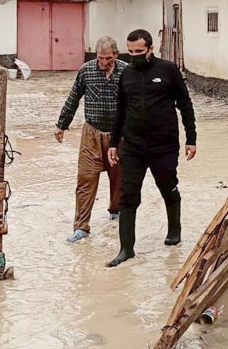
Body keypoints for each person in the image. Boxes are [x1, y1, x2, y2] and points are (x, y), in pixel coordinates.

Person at [106, 29, 197, 267]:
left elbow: (185, 105)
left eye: (139, 52)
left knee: (167, 187)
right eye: (131, 52)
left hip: (164, 145)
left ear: (151, 49)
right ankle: (126, 249)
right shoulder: (125, 74)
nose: (134, 56)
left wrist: (191, 138)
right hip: (133, 146)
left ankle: (174, 230)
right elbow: (120, 111)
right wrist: (114, 143)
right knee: (127, 196)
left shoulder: (167, 70)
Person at [55, 36, 127, 243]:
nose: (103, 62)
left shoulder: (126, 72)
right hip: (91, 134)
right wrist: (61, 124)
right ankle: (81, 227)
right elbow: (73, 98)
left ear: (116, 54)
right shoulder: (86, 70)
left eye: (108, 58)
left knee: (119, 177)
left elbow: (136, 102)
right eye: (100, 58)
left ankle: (116, 211)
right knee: (85, 179)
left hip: (118, 134)